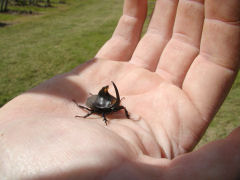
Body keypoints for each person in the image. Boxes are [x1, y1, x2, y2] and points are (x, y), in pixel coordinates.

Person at [0, 0, 239, 179]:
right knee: (94, 108)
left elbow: (113, 105)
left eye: (115, 105)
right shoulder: (100, 108)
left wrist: (124, 113)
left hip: (97, 103)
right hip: (93, 103)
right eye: (113, 106)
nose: (115, 106)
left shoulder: (113, 106)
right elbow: (96, 107)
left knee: (109, 106)